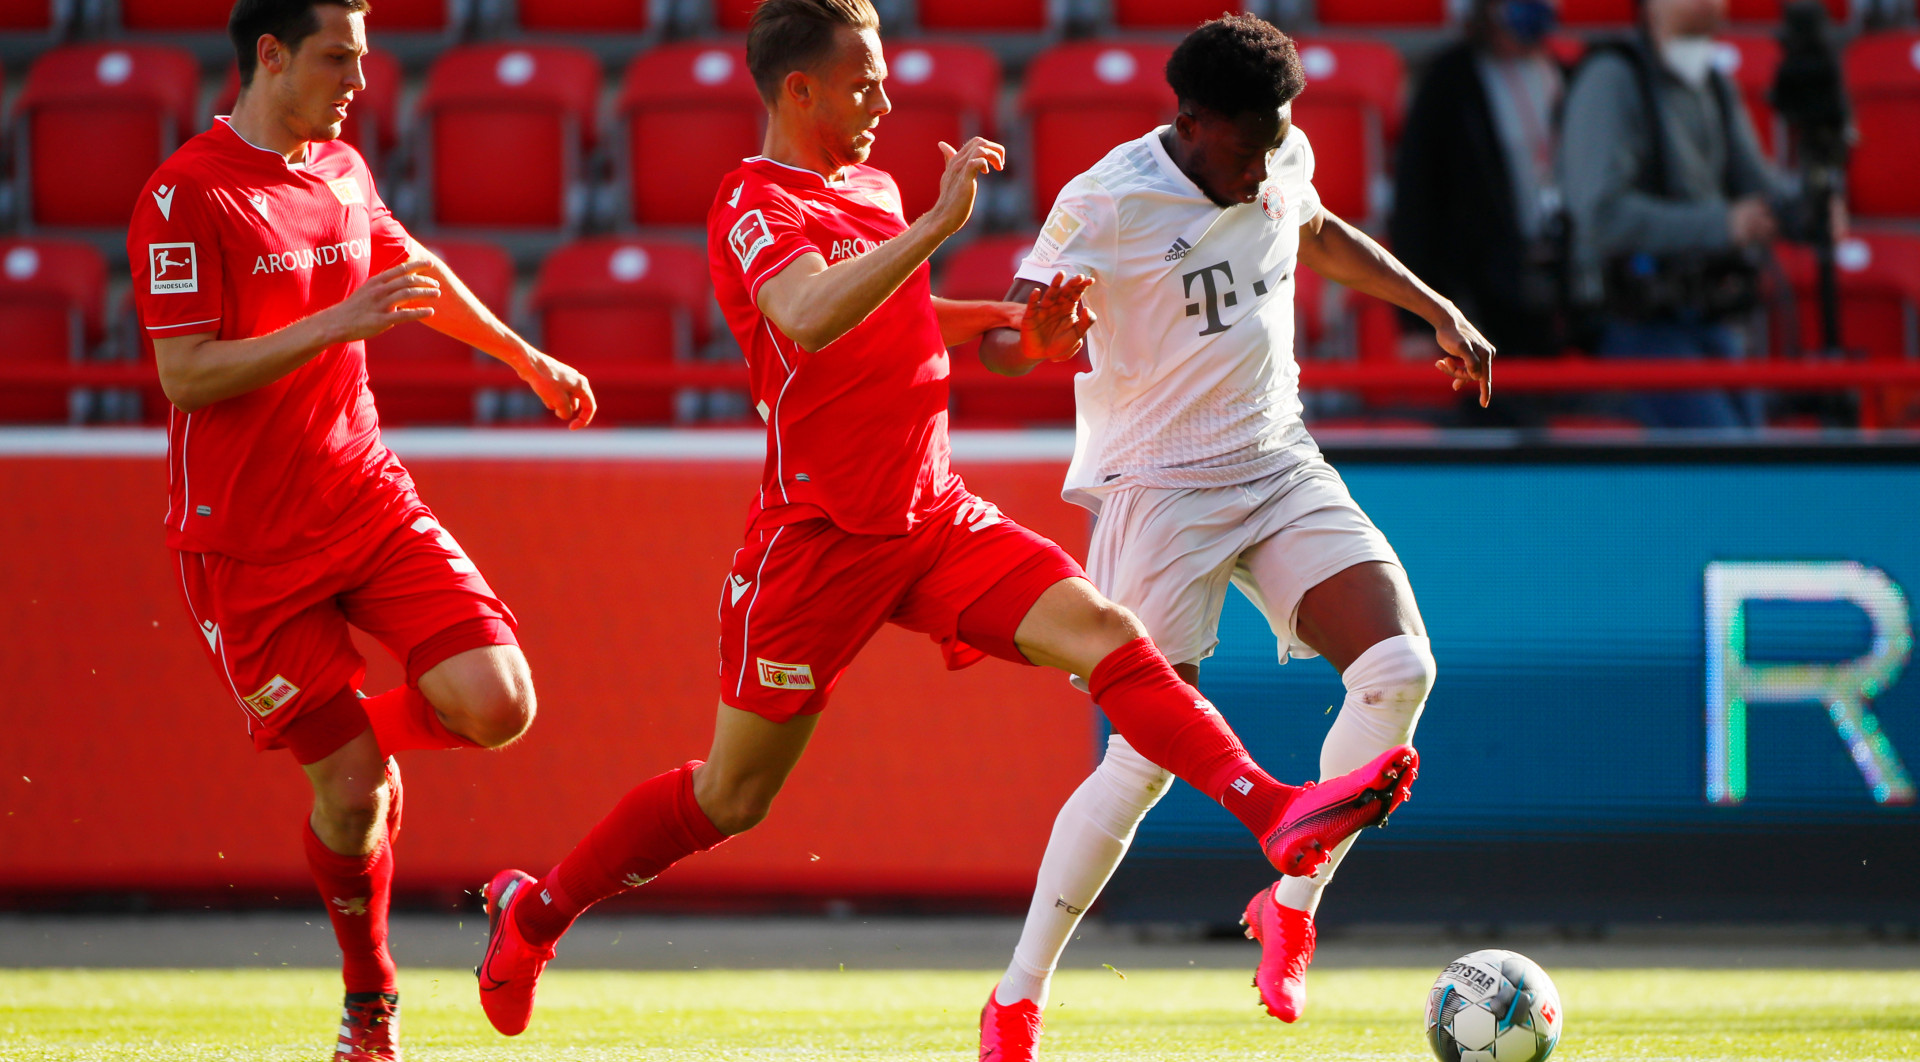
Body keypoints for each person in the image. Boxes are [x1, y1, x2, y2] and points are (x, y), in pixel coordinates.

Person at [471, 0, 1420, 1040]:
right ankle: (539, 910)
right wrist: (935, 227)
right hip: (818, 539)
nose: (884, 101)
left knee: (1109, 635)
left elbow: (898, 315)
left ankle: (1274, 810)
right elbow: (808, 314)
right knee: (732, 798)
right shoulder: (752, 201)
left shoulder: (870, 188)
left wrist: (1021, 326)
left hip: (932, 516)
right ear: (800, 90)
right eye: (864, 84)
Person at [973, 15, 1497, 1060]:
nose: (1267, 164)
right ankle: (1017, 997)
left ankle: (1290, 907)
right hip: (1158, 485)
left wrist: (1434, 305)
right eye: (1251, 143)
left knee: (1399, 669)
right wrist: (1032, 341)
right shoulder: (1107, 199)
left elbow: (1315, 229)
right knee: (1141, 763)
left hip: (1274, 459)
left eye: (1279, 137)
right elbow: (1000, 336)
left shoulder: (1278, 154)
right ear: (1193, 122)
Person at [127, 2, 596, 1059]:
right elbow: (185, 374)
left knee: (500, 703)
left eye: (364, 56)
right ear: (270, 55)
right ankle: (370, 1001)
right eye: (337, 57)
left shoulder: (341, 168)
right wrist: (336, 322)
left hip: (364, 499)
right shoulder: (185, 193)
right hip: (245, 544)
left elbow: (412, 271)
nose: (359, 79)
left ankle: (343, 739)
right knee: (351, 808)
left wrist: (523, 357)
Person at [1559, 0, 1801, 428]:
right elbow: (1601, 217)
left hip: (1706, 312)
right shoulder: (1612, 78)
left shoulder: (1714, 83)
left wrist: (1809, 206)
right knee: (1721, 454)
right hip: (1632, 320)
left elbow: (1758, 185)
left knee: (1756, 451)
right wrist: (1722, 224)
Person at [1391, 0, 1565, 383]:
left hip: (1556, 285)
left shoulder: (1564, 71)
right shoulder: (1448, 81)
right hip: (1478, 289)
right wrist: (1416, 319)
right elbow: (1415, 202)